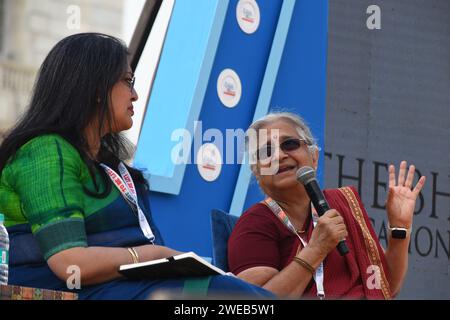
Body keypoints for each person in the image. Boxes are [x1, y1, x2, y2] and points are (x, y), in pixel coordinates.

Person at [0, 33, 272, 300]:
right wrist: (154, 256)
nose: (135, 95)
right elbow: (71, 265)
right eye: (127, 82)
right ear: (96, 88)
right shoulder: (46, 150)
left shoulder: (111, 166)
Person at [228, 112, 426, 299]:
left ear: (314, 157)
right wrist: (316, 249)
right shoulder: (254, 225)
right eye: (266, 152)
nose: (279, 156)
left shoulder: (342, 205)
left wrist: (400, 227)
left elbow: (386, 287)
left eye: (289, 144)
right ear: (257, 172)